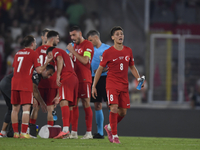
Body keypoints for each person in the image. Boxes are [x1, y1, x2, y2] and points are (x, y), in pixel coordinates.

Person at [92, 26, 144, 144]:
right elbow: (100, 69)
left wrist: (138, 78)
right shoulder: (108, 52)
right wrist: (94, 85)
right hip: (111, 84)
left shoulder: (128, 50)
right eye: (117, 34)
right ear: (113, 37)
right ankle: (115, 136)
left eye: (121, 34)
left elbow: (132, 67)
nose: (120, 36)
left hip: (124, 85)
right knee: (113, 108)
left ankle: (109, 127)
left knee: (123, 112)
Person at [11, 35, 53, 138]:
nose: (36, 44)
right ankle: (24, 133)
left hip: (15, 82)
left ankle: (16, 133)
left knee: (15, 109)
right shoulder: (33, 54)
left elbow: (14, 68)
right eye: (35, 42)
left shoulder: (17, 53)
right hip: (25, 83)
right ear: (32, 44)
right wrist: (47, 62)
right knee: (26, 109)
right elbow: (39, 70)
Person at [67, 26, 94, 139]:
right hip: (75, 79)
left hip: (84, 79)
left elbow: (85, 61)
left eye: (74, 35)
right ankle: (74, 132)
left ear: (80, 33)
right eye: (71, 36)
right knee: (73, 105)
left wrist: (72, 51)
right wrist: (70, 56)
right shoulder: (75, 45)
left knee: (86, 104)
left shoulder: (88, 45)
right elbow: (76, 60)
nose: (72, 38)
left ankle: (88, 133)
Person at [46, 44, 79, 139]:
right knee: (71, 106)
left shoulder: (55, 51)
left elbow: (60, 59)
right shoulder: (61, 57)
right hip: (73, 78)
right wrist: (58, 95)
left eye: (48, 55)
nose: (49, 58)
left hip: (67, 77)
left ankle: (65, 131)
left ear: (50, 52)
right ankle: (70, 133)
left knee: (64, 102)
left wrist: (58, 76)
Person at [29, 29, 59, 130]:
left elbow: (33, 66)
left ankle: (32, 130)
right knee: (50, 108)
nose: (58, 41)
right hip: (51, 83)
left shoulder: (37, 50)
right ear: (52, 39)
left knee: (35, 107)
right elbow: (58, 68)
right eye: (57, 39)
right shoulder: (54, 51)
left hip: (39, 83)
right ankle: (50, 131)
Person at [86, 30, 110, 139]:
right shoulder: (88, 49)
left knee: (110, 104)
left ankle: (112, 130)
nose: (89, 42)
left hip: (105, 78)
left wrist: (102, 69)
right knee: (97, 104)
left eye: (90, 40)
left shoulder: (107, 48)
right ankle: (100, 132)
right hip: (93, 78)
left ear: (96, 37)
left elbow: (112, 64)